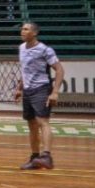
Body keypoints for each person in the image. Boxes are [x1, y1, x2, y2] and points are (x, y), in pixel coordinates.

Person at [15, 22, 64, 170]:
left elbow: (60, 70)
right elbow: (25, 70)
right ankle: (35, 158)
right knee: (31, 125)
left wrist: (55, 92)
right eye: (22, 29)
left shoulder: (45, 50)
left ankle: (47, 156)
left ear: (34, 33)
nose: (22, 31)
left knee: (43, 121)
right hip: (28, 90)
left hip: (42, 88)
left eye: (26, 29)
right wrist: (19, 88)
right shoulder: (21, 48)